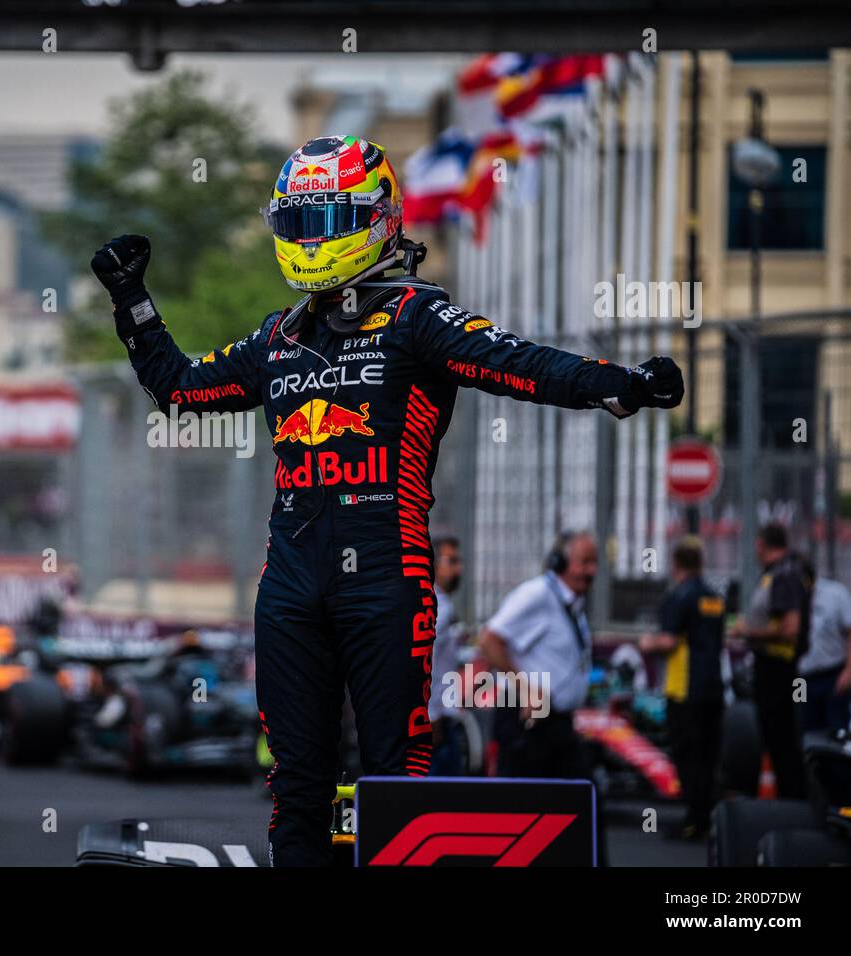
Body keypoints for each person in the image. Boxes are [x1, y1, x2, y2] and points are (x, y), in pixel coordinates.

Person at [91, 135, 684, 867]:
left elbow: (518, 362)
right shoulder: (277, 337)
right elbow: (178, 388)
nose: (309, 241)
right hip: (289, 588)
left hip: (387, 577)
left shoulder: (417, 316)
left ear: (375, 218)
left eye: (324, 222)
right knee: (297, 787)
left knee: (395, 779)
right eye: (297, 225)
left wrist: (619, 384)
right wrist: (132, 301)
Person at [479, 531, 597, 781]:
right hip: (530, 720)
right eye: (584, 562)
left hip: (557, 723)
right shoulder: (538, 594)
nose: (591, 571)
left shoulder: (571, 604)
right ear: (560, 562)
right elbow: (489, 640)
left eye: (594, 563)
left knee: (581, 804)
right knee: (523, 805)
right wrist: (525, 688)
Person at [639, 537, 725, 839]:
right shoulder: (714, 596)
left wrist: (646, 643)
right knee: (708, 756)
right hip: (714, 687)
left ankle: (694, 820)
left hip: (684, 689)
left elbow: (669, 640)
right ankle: (709, 818)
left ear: (676, 564)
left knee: (687, 755)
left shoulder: (679, 596)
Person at [728, 522, 813, 799]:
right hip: (773, 670)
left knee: (782, 742)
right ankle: (790, 800)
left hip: (779, 671)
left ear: (761, 545)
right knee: (777, 741)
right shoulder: (778, 574)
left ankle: (794, 802)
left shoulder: (784, 574)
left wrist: (747, 632)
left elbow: (790, 629)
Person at [428, 535, 467, 775]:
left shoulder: (439, 603)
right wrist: (431, 715)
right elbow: (425, 663)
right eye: (451, 561)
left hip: (442, 719)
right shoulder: (438, 608)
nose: (458, 568)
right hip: (436, 723)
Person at [797, 576, 851, 733]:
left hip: (832, 674)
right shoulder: (787, 596)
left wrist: (848, 671)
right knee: (800, 724)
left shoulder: (835, 594)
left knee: (836, 727)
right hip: (799, 679)